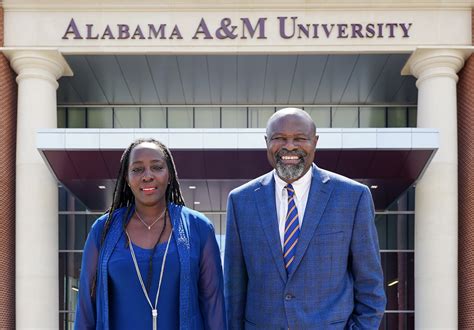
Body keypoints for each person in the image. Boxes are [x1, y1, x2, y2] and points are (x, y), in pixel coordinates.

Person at [224, 108, 386, 329]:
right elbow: (234, 289)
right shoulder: (240, 201)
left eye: (300, 138)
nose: (289, 146)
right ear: (266, 142)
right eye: (279, 138)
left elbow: (370, 286)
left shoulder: (353, 197)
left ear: (315, 142)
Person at [75, 138, 226, 330]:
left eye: (157, 167)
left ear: (169, 175)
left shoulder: (199, 228)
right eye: (137, 169)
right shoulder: (103, 230)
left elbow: (213, 305)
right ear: (127, 179)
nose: (147, 176)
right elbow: (86, 310)